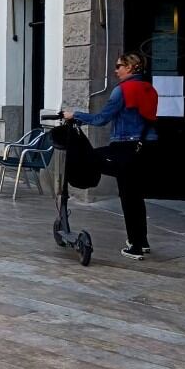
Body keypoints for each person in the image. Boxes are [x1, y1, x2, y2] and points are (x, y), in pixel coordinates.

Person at [63, 51, 159, 261]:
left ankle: (134, 247)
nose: (115, 71)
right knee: (135, 195)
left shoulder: (122, 91)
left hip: (125, 147)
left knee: (96, 164)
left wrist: (74, 115)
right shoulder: (149, 88)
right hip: (146, 147)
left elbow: (100, 119)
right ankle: (141, 242)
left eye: (118, 66)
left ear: (130, 67)